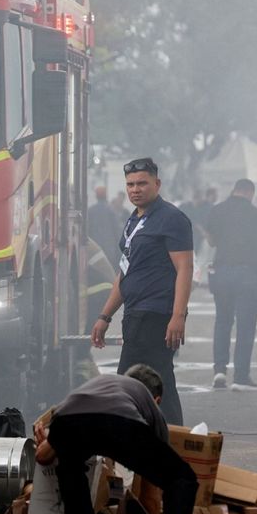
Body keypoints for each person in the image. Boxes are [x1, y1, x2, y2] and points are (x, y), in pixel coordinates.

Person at [33, 364, 215, 514]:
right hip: (121, 421)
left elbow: (42, 457)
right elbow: (152, 487)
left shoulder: (97, 386)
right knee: (181, 477)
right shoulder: (149, 405)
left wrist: (54, 442)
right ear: (156, 399)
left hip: (68, 418)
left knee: (70, 473)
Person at [90, 157, 194, 426]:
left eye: (142, 183)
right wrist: (105, 315)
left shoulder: (171, 219)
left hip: (157, 315)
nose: (135, 189)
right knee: (158, 383)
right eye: (130, 184)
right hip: (134, 314)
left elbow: (185, 269)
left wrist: (178, 315)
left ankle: (149, 443)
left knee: (129, 383)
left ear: (157, 184)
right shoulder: (133, 221)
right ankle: (170, 443)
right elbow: (124, 273)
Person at [205, 179, 257, 389]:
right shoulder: (255, 213)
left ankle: (219, 372)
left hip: (221, 272)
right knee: (246, 325)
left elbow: (211, 241)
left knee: (222, 321)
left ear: (234, 189)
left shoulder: (217, 210)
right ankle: (240, 375)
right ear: (250, 192)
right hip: (248, 274)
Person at [87, 185, 123, 265]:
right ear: (106, 196)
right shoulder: (111, 210)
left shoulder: (90, 211)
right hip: (110, 251)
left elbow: (87, 231)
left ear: (96, 196)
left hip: (94, 250)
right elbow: (117, 232)